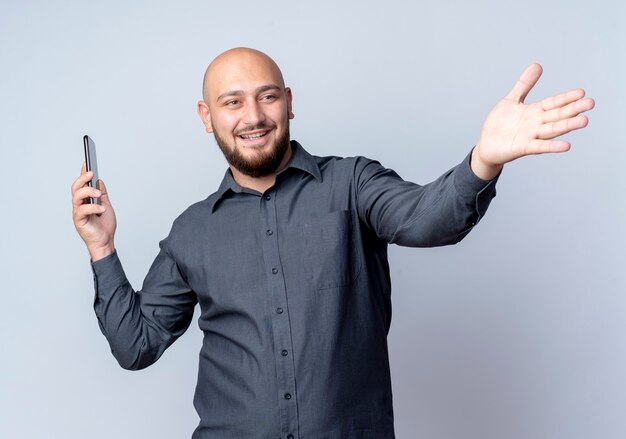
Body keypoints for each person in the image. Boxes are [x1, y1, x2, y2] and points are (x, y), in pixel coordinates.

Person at [71, 48, 595, 439]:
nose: (252, 116)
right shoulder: (192, 231)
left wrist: (484, 159)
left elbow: (428, 219)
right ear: (208, 117)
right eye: (232, 102)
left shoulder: (352, 184)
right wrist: (101, 247)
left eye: (267, 96)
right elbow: (136, 346)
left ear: (289, 103)